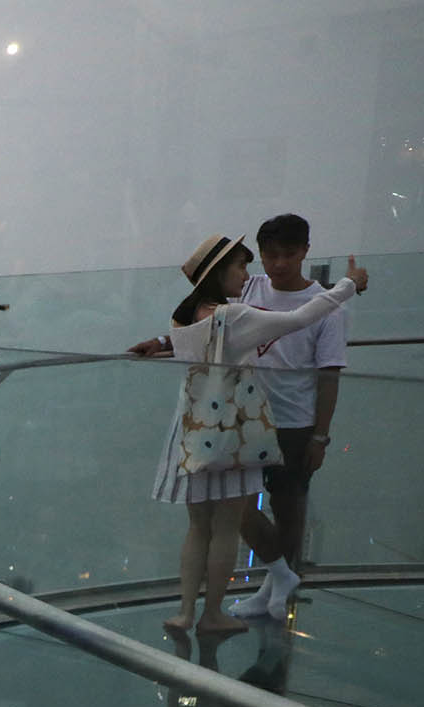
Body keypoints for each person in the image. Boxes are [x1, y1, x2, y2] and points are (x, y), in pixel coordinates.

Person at [148, 235, 364, 634]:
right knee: (227, 526)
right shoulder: (236, 317)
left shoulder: (189, 315)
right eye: (240, 267)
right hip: (235, 430)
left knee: (198, 527)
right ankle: (213, 614)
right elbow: (299, 318)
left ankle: (184, 612)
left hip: (194, 427)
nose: (247, 276)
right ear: (220, 273)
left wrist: (159, 343)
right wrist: (348, 285)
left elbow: (181, 345)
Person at [230, 213, 351, 617]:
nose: (278, 264)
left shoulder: (327, 307)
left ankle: (274, 592)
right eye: (270, 256)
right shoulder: (249, 288)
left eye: (288, 254)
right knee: (238, 506)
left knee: (288, 509)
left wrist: (320, 436)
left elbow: (329, 376)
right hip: (246, 420)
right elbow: (209, 322)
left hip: (295, 424)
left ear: (305, 252)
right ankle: (280, 576)